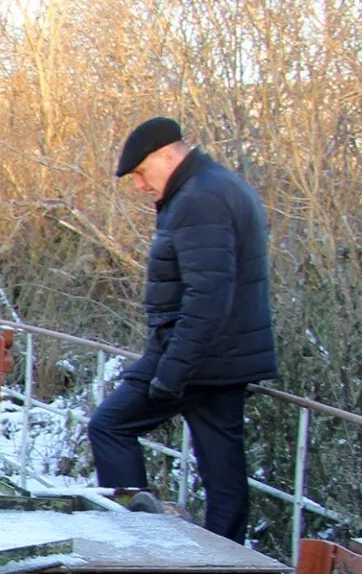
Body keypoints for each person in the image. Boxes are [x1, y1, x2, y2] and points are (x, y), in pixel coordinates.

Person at [88, 117, 277, 543]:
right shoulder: (222, 185)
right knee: (223, 473)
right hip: (226, 359)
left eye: (140, 173)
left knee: (110, 426)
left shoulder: (198, 199)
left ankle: (139, 542)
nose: (139, 186)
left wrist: (172, 369)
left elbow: (207, 297)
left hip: (198, 357)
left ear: (166, 155)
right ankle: (225, 566)